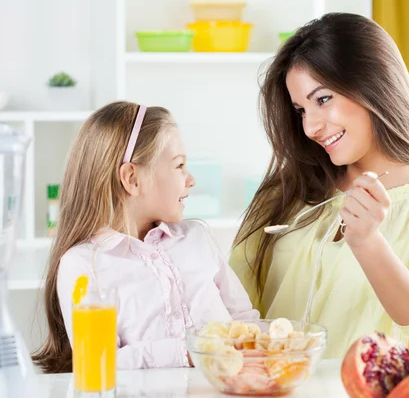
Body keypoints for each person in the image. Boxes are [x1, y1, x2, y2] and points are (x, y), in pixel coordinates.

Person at [230, 13, 409, 359]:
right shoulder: (284, 193)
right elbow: (229, 308)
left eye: (322, 100)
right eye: (300, 110)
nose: (311, 127)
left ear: (373, 83)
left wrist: (367, 243)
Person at [32, 101, 259, 373]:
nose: (191, 179)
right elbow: (99, 362)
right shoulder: (82, 265)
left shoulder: (198, 238)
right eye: (179, 166)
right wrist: (187, 352)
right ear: (132, 178)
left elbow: (246, 321)